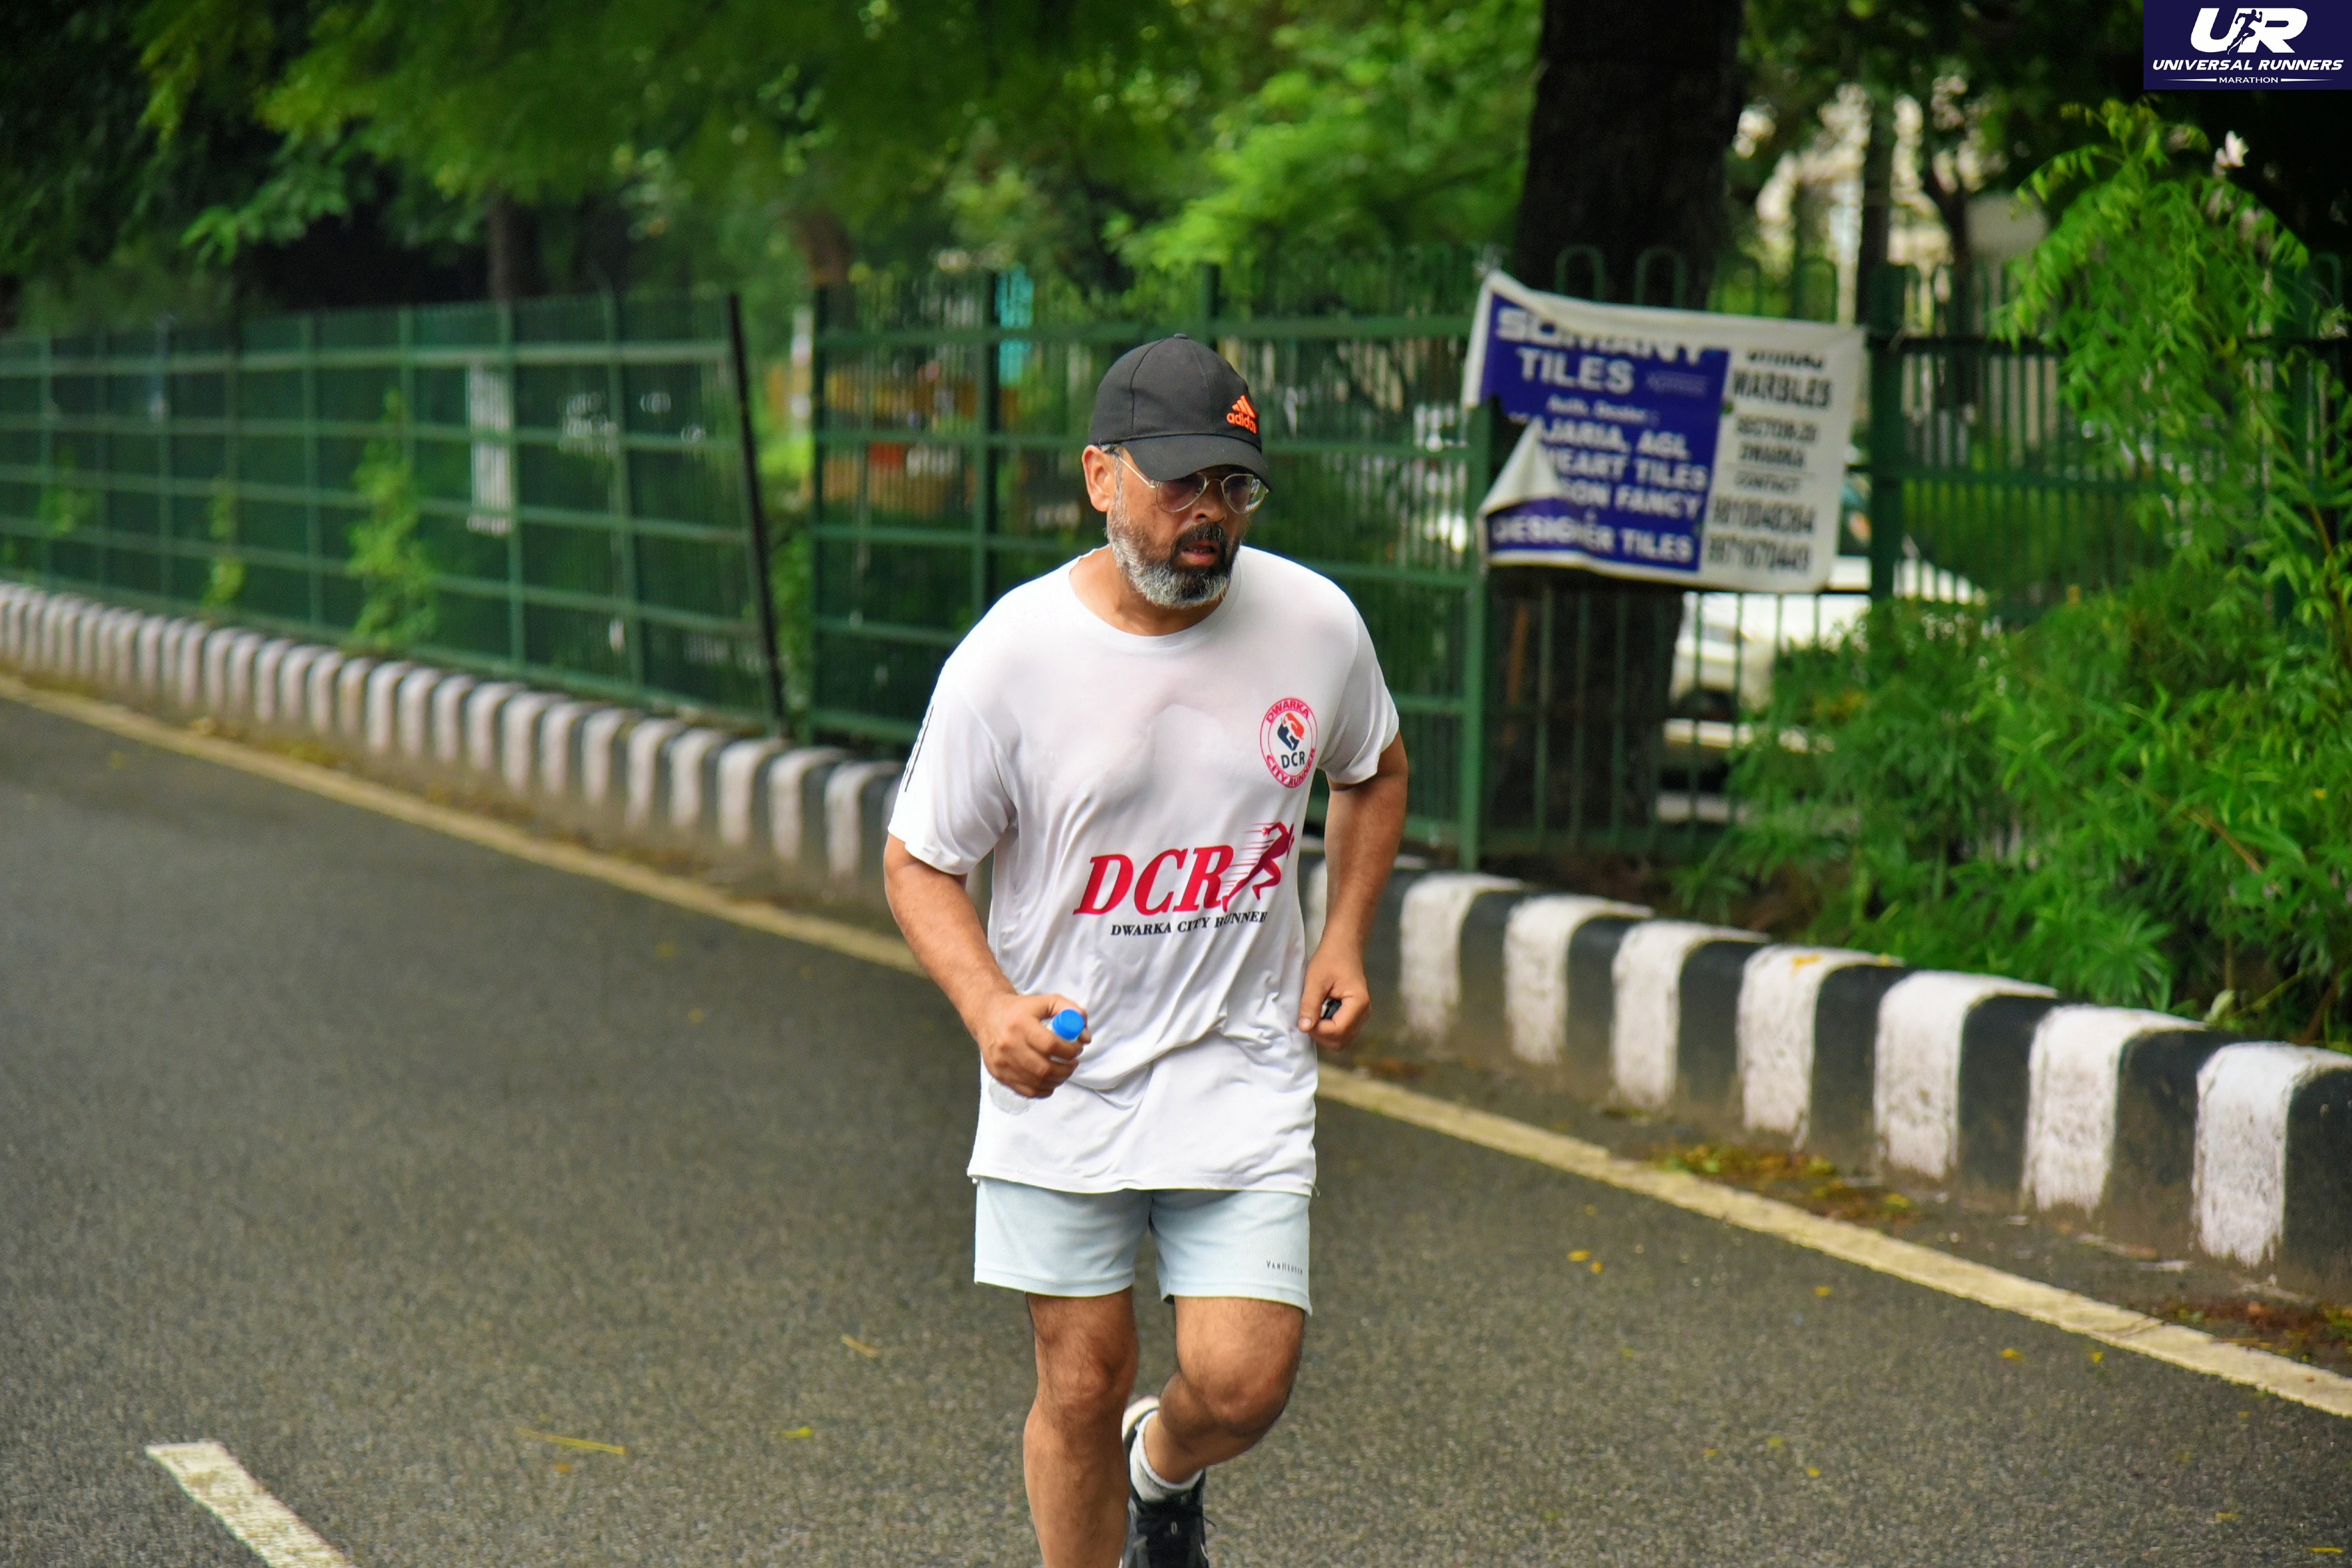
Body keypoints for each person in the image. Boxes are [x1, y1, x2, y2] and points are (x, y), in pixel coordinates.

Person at [883, 334, 1408, 1567]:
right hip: (1066, 1069)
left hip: (1239, 1054)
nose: (1209, 513)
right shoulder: (1012, 659)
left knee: (1243, 1382)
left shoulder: (1314, 624)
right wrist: (990, 1009)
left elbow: (1374, 769)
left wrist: (1342, 937)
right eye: (1180, 482)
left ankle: (1160, 1470)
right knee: (1081, 1378)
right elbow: (919, 861)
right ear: (1101, 478)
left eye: (1234, 485)